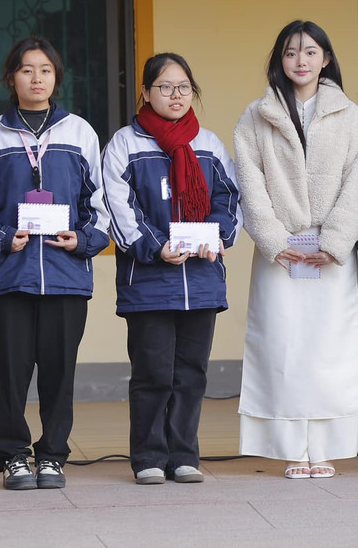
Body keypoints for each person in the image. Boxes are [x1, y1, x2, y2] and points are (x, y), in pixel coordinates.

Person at [0, 36, 111, 490]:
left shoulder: (80, 132)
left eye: (45, 70)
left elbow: (101, 202)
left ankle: (52, 455)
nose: (36, 78)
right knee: (10, 372)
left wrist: (83, 239)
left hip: (66, 274)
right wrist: (2, 238)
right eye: (27, 70)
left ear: (57, 77)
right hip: (8, 275)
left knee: (59, 371)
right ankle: (12, 455)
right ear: (11, 77)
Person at [234, 20, 358, 480]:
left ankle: (326, 448)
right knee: (282, 345)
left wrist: (334, 243)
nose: (301, 61)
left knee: (330, 348)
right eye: (291, 53)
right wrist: (273, 240)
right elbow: (249, 183)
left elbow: (357, 184)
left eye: (310, 52)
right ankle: (292, 449)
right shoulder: (255, 115)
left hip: (330, 256)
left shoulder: (350, 116)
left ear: (326, 59)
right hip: (282, 254)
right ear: (280, 60)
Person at [103, 52, 241, 484]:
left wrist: (215, 236)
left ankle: (184, 455)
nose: (175, 95)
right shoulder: (126, 143)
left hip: (200, 280)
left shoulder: (209, 144)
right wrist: (156, 246)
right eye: (165, 87)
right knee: (151, 373)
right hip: (148, 281)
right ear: (145, 92)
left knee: (191, 373)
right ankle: (147, 457)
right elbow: (118, 206)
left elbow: (229, 199)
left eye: (183, 87)